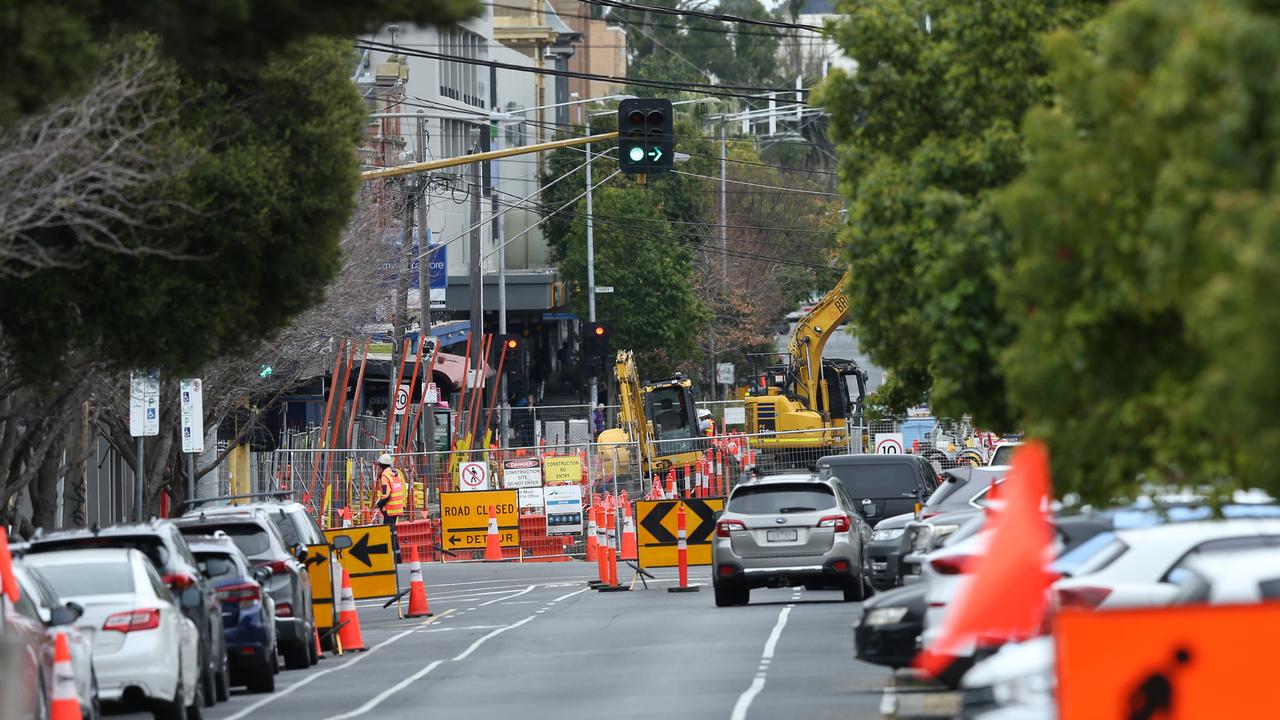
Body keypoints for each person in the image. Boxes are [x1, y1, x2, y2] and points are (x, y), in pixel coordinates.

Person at [372, 452, 407, 562]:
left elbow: (386, 494)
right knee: (392, 533)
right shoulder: (395, 473)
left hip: (390, 509)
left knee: (389, 533)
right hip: (397, 507)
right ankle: (397, 558)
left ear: (381, 464)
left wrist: (379, 504)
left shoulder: (385, 476)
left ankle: (393, 559)